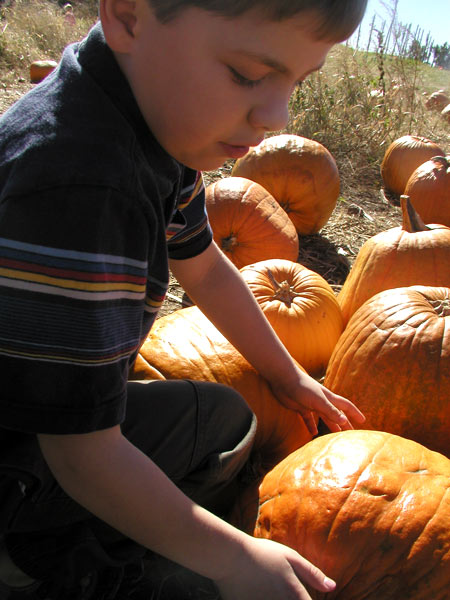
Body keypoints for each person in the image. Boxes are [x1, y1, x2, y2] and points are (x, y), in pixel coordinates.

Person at [0, 0, 367, 598]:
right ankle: (30, 562)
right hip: (25, 450)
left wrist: (287, 374)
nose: (276, 114)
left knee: (225, 421)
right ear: (127, 15)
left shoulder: (140, 118)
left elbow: (205, 267)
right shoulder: (86, 184)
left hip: (43, 426)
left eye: (297, 81)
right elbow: (80, 453)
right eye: (247, 75)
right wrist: (236, 559)